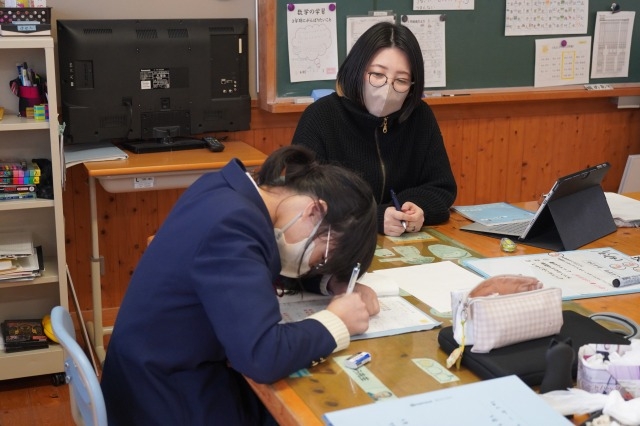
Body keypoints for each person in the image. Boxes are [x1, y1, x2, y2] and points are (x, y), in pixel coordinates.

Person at [100, 146, 380, 425]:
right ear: (314, 211)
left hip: (150, 374)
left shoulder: (226, 189)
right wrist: (335, 323)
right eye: (322, 260)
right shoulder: (234, 227)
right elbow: (262, 356)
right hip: (163, 395)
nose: (311, 267)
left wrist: (330, 282)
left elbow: (256, 266)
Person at [292, 21, 457, 236]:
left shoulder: (420, 116)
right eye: (378, 75)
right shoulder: (321, 116)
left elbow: (442, 187)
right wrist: (374, 217)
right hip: (337, 244)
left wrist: (416, 209)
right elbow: (303, 198)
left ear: (413, 86)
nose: (387, 89)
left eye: (401, 80)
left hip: (402, 244)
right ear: (358, 70)